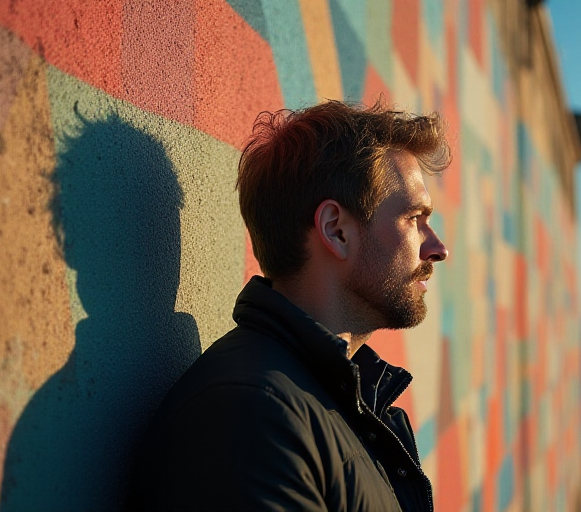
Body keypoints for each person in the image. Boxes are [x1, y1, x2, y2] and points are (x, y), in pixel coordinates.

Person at [129, 101, 450, 512]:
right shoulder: (251, 415)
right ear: (336, 230)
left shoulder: (354, 404)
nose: (438, 248)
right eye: (414, 218)